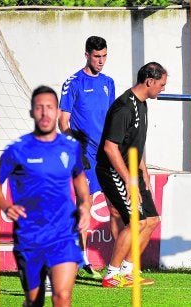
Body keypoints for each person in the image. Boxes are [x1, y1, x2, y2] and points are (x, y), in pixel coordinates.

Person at [0, 86, 91, 306]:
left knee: (62, 296)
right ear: (32, 112)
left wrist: (85, 207)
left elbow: (81, 183)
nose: (45, 113)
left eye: (50, 108)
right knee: (34, 301)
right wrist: (5, 206)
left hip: (63, 234)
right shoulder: (17, 150)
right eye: (39, 108)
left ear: (57, 112)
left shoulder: (70, 148)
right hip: (30, 235)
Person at [97, 62, 166, 288]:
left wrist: (143, 170)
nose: (163, 88)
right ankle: (111, 275)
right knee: (136, 221)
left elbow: (134, 143)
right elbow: (110, 147)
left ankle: (127, 272)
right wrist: (129, 180)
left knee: (152, 220)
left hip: (133, 171)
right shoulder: (124, 107)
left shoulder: (143, 104)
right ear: (149, 82)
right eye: (162, 84)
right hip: (113, 171)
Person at [58, 35, 122, 280]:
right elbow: (63, 122)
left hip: (106, 153)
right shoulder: (73, 82)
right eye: (97, 56)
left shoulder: (109, 82)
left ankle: (118, 267)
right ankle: (81, 259)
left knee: (115, 208)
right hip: (84, 155)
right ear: (86, 55)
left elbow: (111, 119)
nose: (101, 61)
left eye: (104, 56)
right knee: (84, 206)